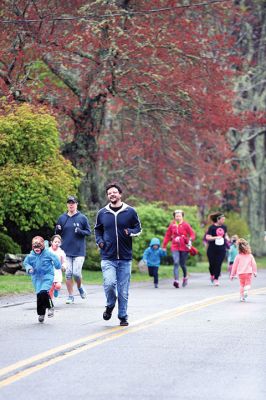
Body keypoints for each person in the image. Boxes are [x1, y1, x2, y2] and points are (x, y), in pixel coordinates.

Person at [94, 183, 142, 326]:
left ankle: (122, 316)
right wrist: (100, 241)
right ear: (108, 196)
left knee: (123, 290)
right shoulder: (102, 213)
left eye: (114, 192)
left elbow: (138, 227)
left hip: (125, 258)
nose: (112, 195)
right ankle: (110, 305)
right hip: (108, 256)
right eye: (109, 193)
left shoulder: (130, 211)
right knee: (109, 284)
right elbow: (98, 230)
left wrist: (131, 232)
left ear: (120, 194)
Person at [55, 195, 91, 304]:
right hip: (65, 251)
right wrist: (57, 230)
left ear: (76, 205)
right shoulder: (62, 218)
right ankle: (70, 296)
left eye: (73, 203)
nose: (71, 204)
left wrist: (81, 231)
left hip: (79, 251)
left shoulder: (82, 218)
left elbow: (88, 232)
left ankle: (80, 287)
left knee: (76, 273)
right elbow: (57, 235)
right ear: (67, 204)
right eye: (69, 203)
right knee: (68, 274)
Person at [23, 236, 61, 323]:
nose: (37, 249)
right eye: (35, 247)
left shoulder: (47, 253)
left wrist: (57, 264)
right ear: (33, 247)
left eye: (39, 247)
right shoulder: (30, 256)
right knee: (39, 295)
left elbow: (55, 260)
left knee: (44, 291)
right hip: (36, 278)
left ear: (43, 246)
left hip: (47, 276)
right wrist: (29, 269)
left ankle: (50, 307)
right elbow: (26, 263)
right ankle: (41, 314)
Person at [162, 209, 196, 288]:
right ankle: (176, 280)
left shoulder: (186, 225)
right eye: (176, 216)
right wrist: (164, 246)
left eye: (179, 216)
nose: (178, 217)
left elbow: (192, 234)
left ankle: (185, 277)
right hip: (175, 246)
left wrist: (190, 240)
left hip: (184, 246)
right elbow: (167, 236)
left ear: (182, 216)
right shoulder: (172, 225)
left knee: (182, 264)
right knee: (176, 262)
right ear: (174, 217)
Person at [205, 212, 230, 286]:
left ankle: (216, 279)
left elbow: (225, 235)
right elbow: (207, 237)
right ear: (218, 219)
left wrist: (228, 239)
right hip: (212, 249)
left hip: (222, 248)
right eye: (222, 219)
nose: (224, 220)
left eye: (224, 219)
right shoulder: (211, 227)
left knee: (218, 264)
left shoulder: (224, 227)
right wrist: (216, 237)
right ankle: (212, 274)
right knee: (212, 264)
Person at [49, 234, 66, 299]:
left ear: (60, 243)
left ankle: (56, 290)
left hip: (58, 272)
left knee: (58, 285)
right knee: (50, 288)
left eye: (58, 242)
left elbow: (64, 261)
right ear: (51, 242)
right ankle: (50, 302)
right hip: (49, 271)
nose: (57, 243)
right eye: (55, 242)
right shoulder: (48, 251)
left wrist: (64, 266)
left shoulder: (61, 252)